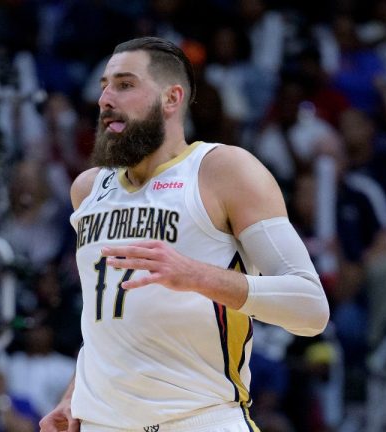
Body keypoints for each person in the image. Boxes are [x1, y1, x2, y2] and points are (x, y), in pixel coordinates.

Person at [39, 37, 329, 432]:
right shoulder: (88, 189)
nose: (105, 98)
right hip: (100, 423)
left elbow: (311, 309)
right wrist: (75, 392)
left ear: (171, 98)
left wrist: (197, 276)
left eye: (125, 84)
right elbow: (107, 320)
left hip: (200, 419)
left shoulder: (222, 171)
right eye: (105, 84)